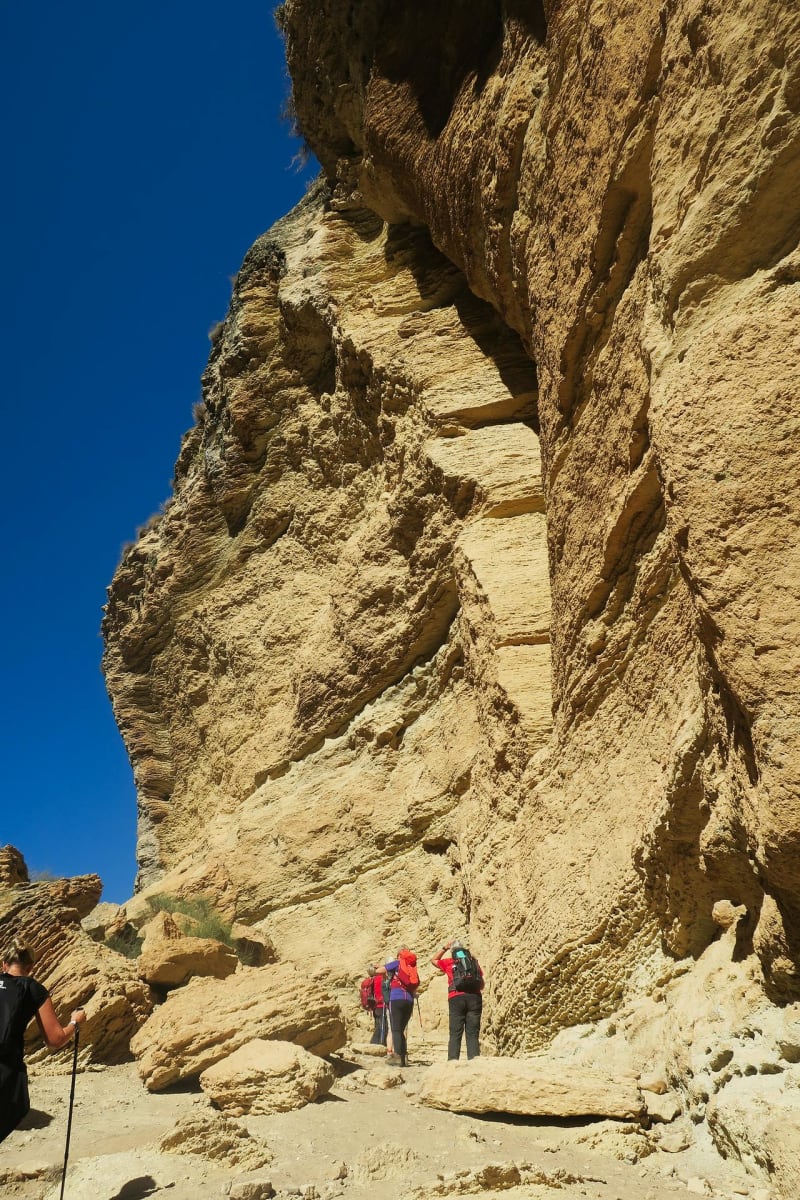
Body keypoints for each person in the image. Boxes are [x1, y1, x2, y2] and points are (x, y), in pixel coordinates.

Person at [0, 942, 86, 1144]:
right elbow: (55, 1040)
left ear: (4, 964)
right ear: (30, 968)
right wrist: (75, 1022)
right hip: (5, 1075)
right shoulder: (33, 989)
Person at [431, 938, 484, 1060]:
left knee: (455, 1032)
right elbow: (481, 984)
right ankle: (474, 1061)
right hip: (475, 997)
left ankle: (453, 1061)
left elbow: (434, 960)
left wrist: (445, 947)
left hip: (456, 997)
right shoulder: (474, 962)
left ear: (452, 951)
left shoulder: (449, 962)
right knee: (472, 1033)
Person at [376, 947, 419, 1067]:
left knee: (395, 1029)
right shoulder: (412, 967)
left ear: (399, 955)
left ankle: (397, 1057)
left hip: (396, 998)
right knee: (401, 1029)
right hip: (409, 1000)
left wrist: (376, 969)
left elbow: (380, 971)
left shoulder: (397, 963)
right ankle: (404, 1057)